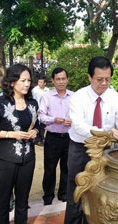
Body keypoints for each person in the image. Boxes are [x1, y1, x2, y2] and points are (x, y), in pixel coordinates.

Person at [64, 56, 118, 224]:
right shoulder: (78, 97)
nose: (103, 83)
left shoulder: (115, 97)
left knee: (99, 193)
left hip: (104, 153)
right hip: (80, 150)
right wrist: (107, 133)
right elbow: (79, 126)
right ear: (89, 77)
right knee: (76, 191)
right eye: (99, 79)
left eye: (107, 79)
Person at [0, 64, 40, 224]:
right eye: (23, 80)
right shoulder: (0, 102)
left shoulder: (32, 103)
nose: (27, 84)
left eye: (29, 80)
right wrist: (11, 134)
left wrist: (35, 132)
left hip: (28, 159)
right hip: (5, 160)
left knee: (23, 201)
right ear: (12, 82)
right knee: (3, 201)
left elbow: (37, 125)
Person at [38, 67, 73, 205]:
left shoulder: (74, 96)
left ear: (67, 80)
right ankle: (48, 195)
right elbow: (41, 116)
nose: (61, 82)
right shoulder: (46, 97)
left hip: (69, 138)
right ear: (52, 80)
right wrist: (54, 119)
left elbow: (80, 115)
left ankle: (63, 193)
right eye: (58, 79)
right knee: (50, 168)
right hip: (52, 138)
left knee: (67, 167)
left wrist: (73, 121)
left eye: (63, 78)